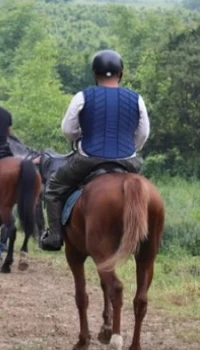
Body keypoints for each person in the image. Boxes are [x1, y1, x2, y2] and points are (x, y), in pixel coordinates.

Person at [39, 50, 150, 251]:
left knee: (54, 188)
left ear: (95, 73)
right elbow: (143, 133)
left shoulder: (83, 96)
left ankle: (54, 236)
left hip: (89, 158)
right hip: (128, 160)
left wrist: (79, 137)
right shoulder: (136, 98)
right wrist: (131, 149)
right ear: (121, 73)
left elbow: (68, 129)